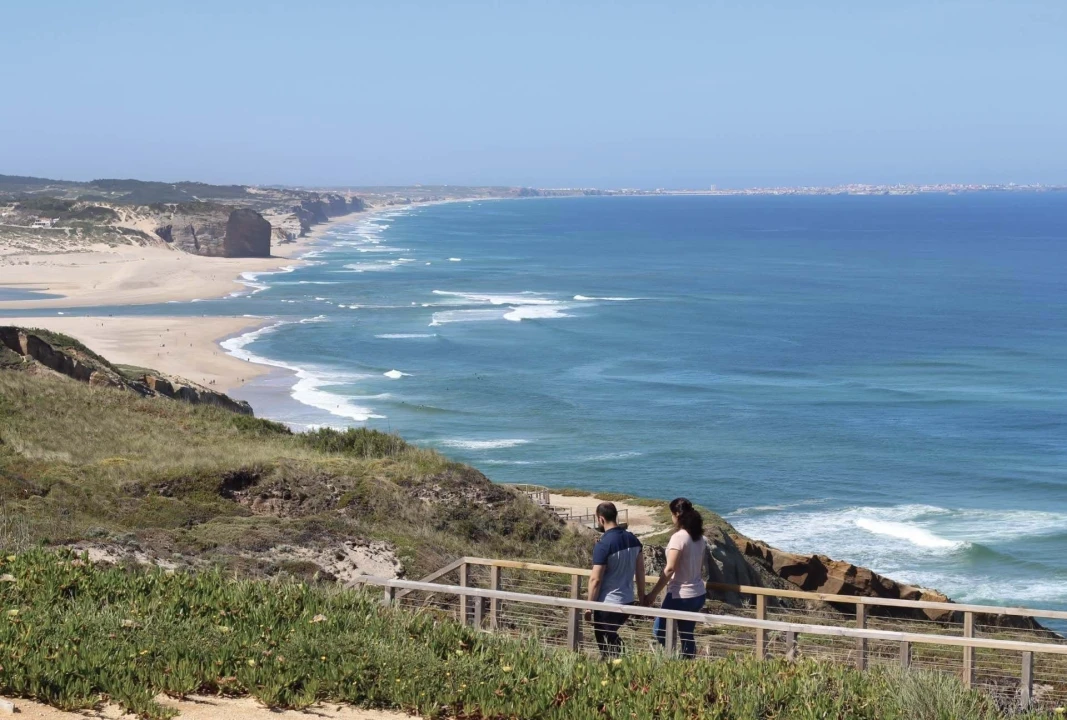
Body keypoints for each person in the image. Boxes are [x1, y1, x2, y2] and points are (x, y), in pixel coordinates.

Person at [642, 497, 711, 659]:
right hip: (698, 593)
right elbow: (699, 567)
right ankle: (687, 665)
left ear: (677, 514)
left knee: (659, 630)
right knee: (686, 634)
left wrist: (652, 594)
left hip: (681, 595)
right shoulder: (699, 538)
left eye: (672, 514)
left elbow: (670, 568)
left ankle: (672, 660)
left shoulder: (679, 537)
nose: (671, 518)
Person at [584, 501, 645, 659]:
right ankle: (623, 665)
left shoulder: (604, 545)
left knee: (605, 644)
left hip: (608, 603)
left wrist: (589, 606)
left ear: (601, 519)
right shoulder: (633, 540)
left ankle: (621, 668)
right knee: (611, 638)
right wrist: (642, 596)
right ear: (615, 516)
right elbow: (640, 571)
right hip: (628, 599)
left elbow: (595, 579)